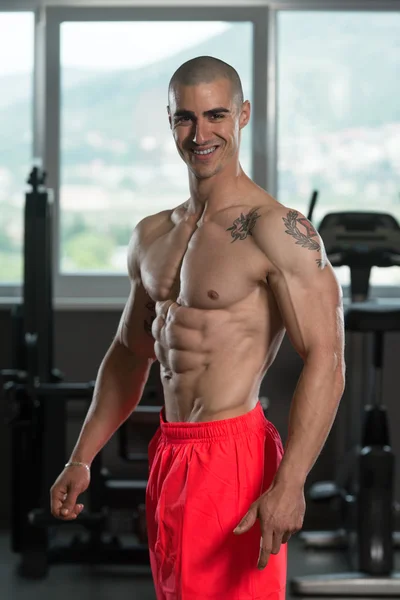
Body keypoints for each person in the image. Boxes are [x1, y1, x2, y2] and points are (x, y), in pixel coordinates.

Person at [50, 56, 345, 599]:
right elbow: (129, 351)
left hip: (233, 456)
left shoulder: (277, 230)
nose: (200, 132)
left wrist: (291, 482)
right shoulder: (152, 234)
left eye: (215, 115)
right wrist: (81, 456)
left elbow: (327, 358)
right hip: (171, 450)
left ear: (243, 115)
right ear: (169, 121)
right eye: (185, 117)